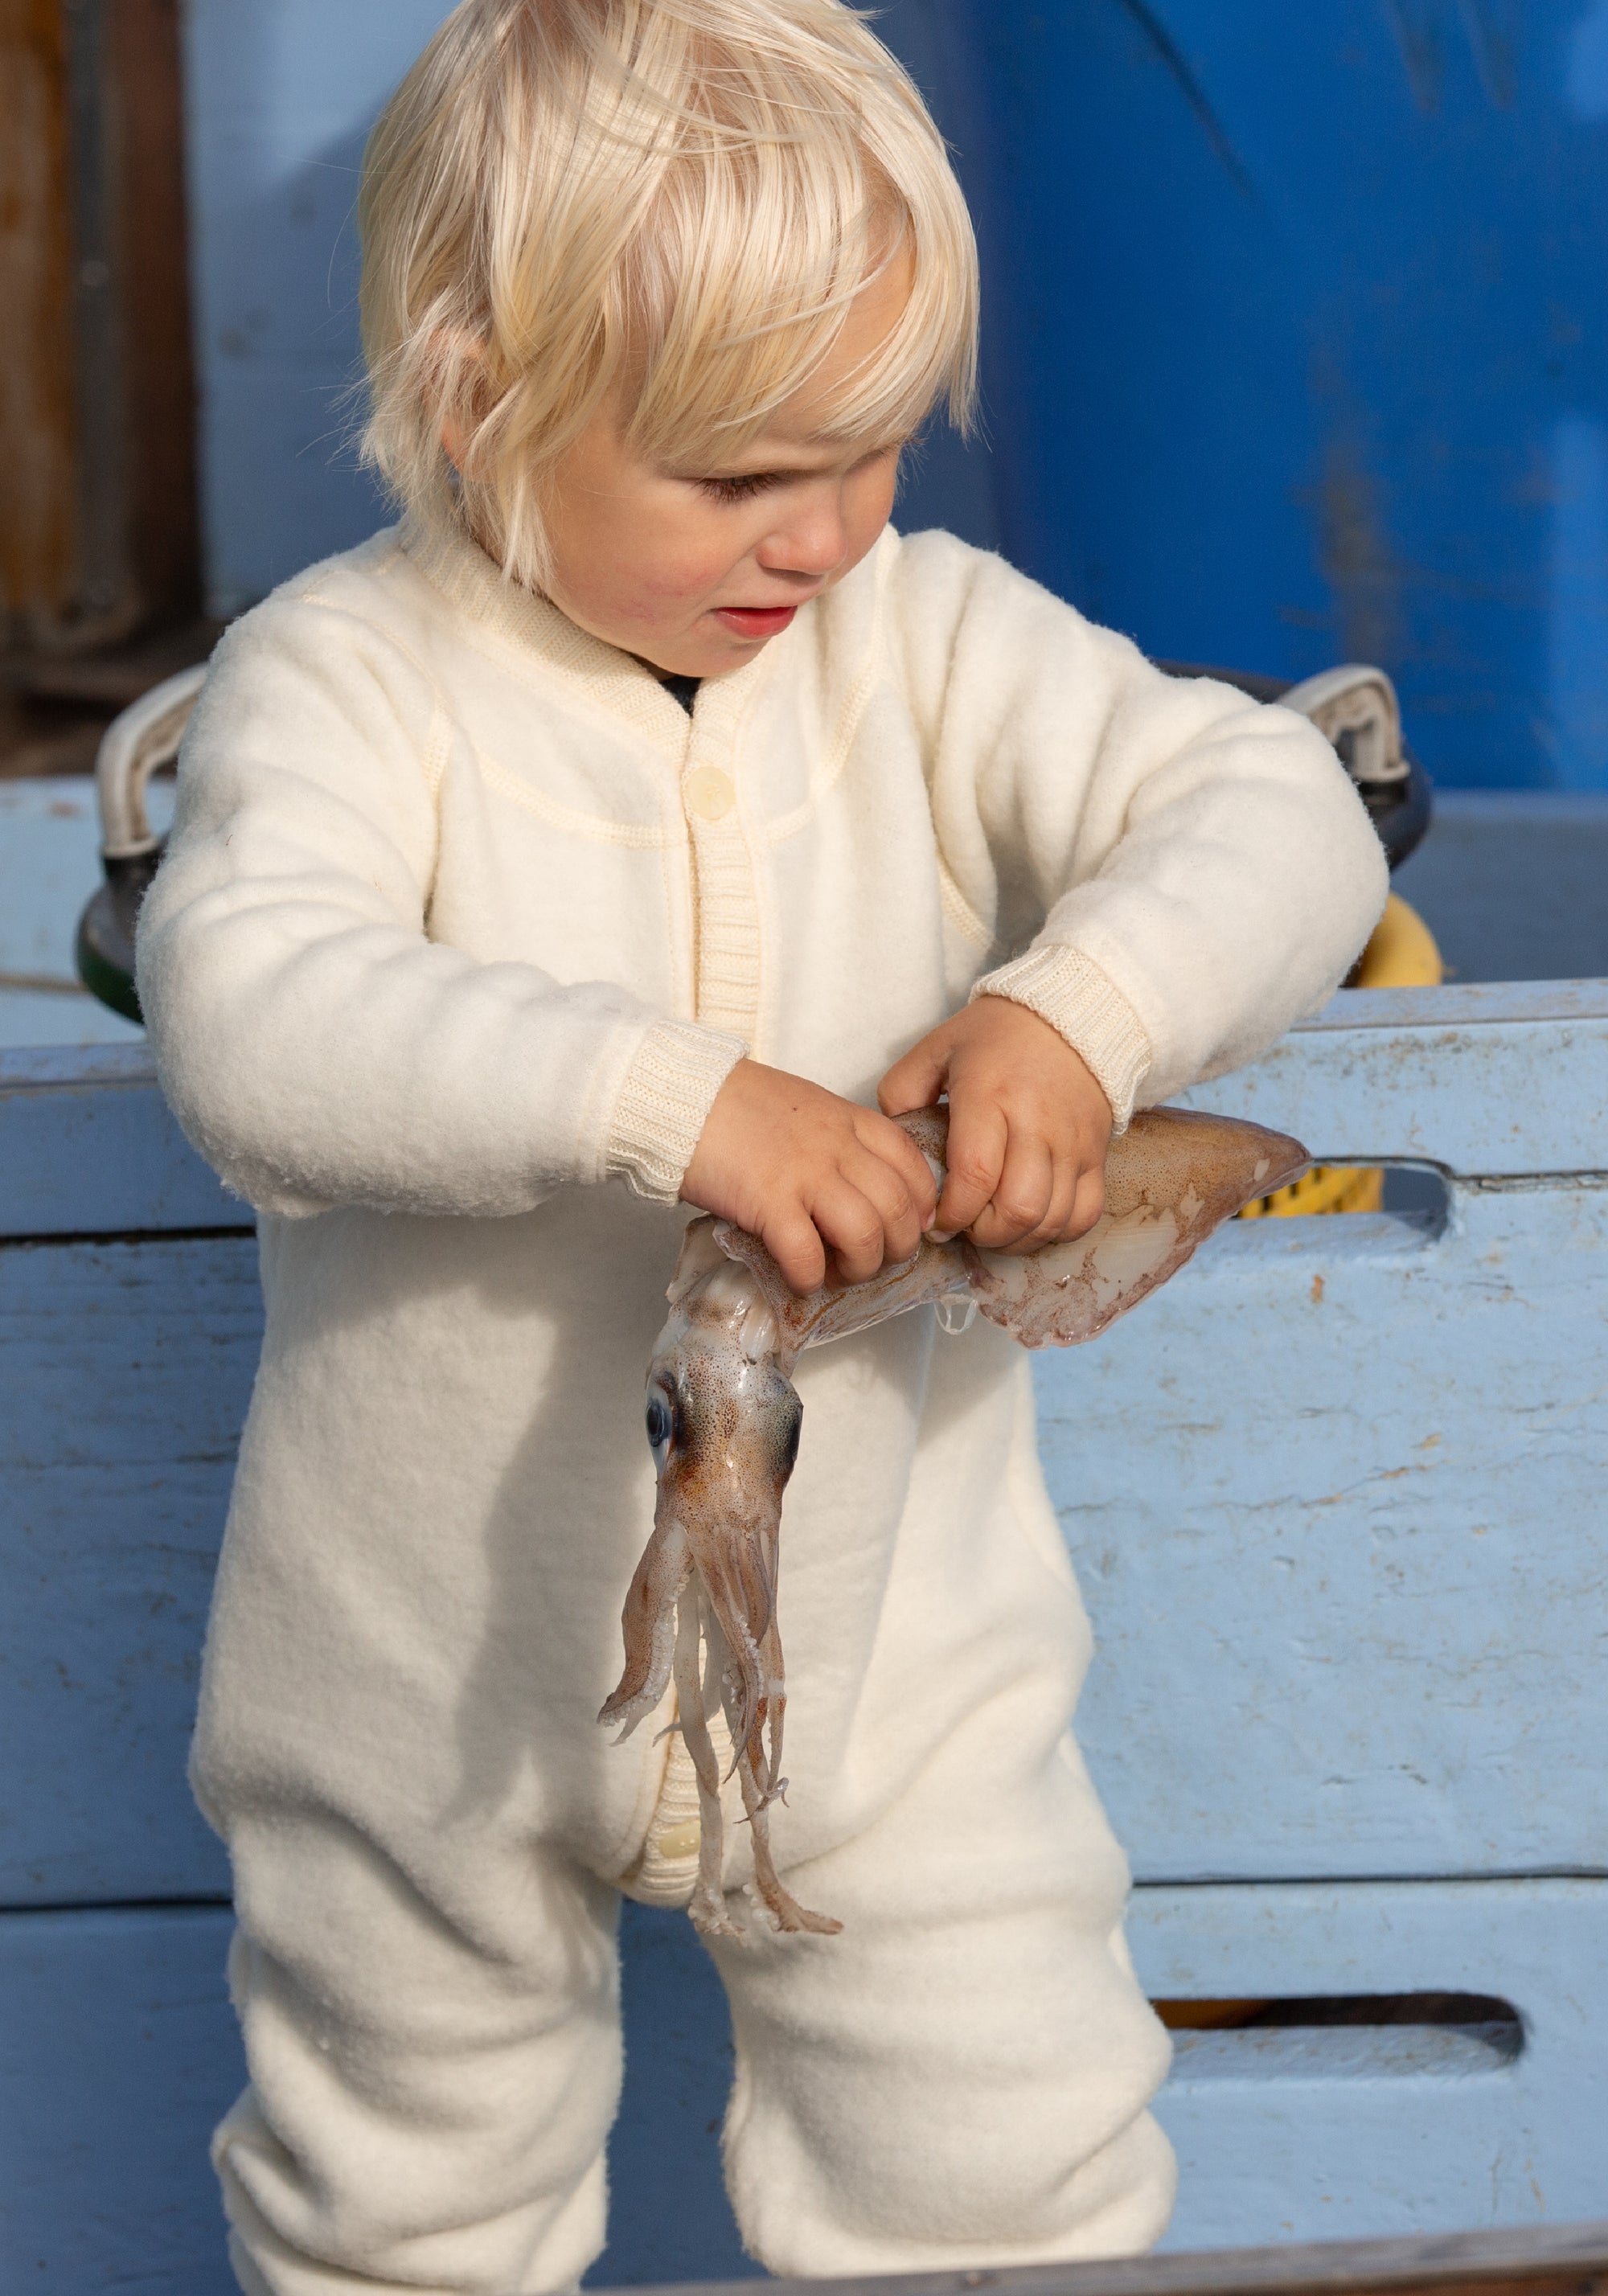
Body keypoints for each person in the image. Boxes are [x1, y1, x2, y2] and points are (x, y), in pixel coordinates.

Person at [137, 3, 1389, 2291]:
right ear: (478, 403)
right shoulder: (347, 678)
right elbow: (248, 1012)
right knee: (396, 2203)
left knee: (1000, 2154)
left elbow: (1273, 806)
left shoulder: (924, 644)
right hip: (423, 1680)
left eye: (877, 449)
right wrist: (671, 1098)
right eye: (732, 477)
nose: (819, 533)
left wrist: (1071, 1015)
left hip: (899, 1655)